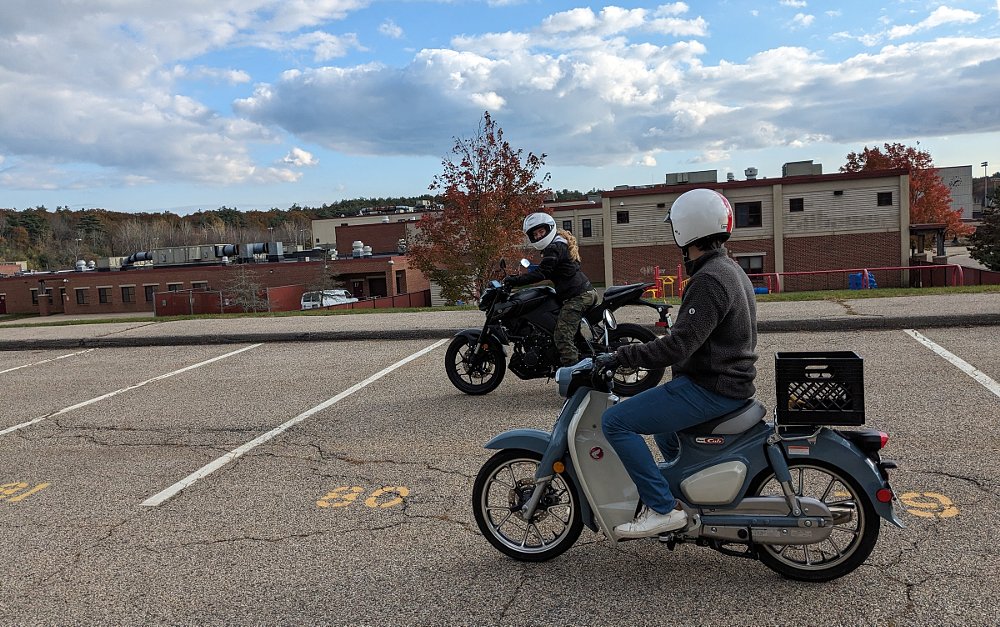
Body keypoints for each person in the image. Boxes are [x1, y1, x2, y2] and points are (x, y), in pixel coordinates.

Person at [597, 188, 758, 538]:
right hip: (727, 382)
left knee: (615, 421)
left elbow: (679, 346)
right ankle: (687, 497)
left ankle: (661, 508)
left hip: (711, 387)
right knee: (663, 429)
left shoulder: (709, 279)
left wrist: (623, 356)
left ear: (685, 230)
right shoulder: (730, 269)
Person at [504, 212, 598, 367]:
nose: (539, 236)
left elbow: (543, 273)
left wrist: (515, 281)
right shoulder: (560, 244)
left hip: (578, 297)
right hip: (584, 292)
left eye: (541, 231)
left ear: (549, 229)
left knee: (562, 337)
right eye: (535, 234)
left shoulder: (554, 248)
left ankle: (574, 372)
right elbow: (550, 268)